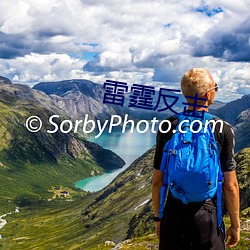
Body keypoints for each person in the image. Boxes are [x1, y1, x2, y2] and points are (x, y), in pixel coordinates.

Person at [152, 68, 240, 250]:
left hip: (174, 213)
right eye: (216, 87)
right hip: (207, 215)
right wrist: (235, 225)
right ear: (208, 94)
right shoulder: (222, 129)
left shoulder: (168, 125)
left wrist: (158, 218)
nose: (216, 90)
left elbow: (157, 181)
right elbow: (230, 185)